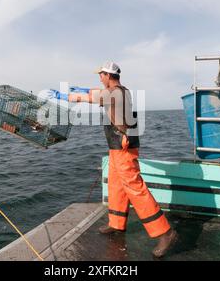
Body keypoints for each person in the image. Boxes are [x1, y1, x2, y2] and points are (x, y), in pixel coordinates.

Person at [49, 62, 178, 258]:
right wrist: (84, 88)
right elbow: (97, 92)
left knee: (134, 187)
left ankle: (165, 233)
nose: (99, 78)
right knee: (116, 184)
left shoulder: (112, 94)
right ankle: (116, 224)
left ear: (108, 75)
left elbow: (88, 98)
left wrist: (64, 96)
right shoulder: (120, 90)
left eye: (101, 75)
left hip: (123, 145)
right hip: (117, 144)